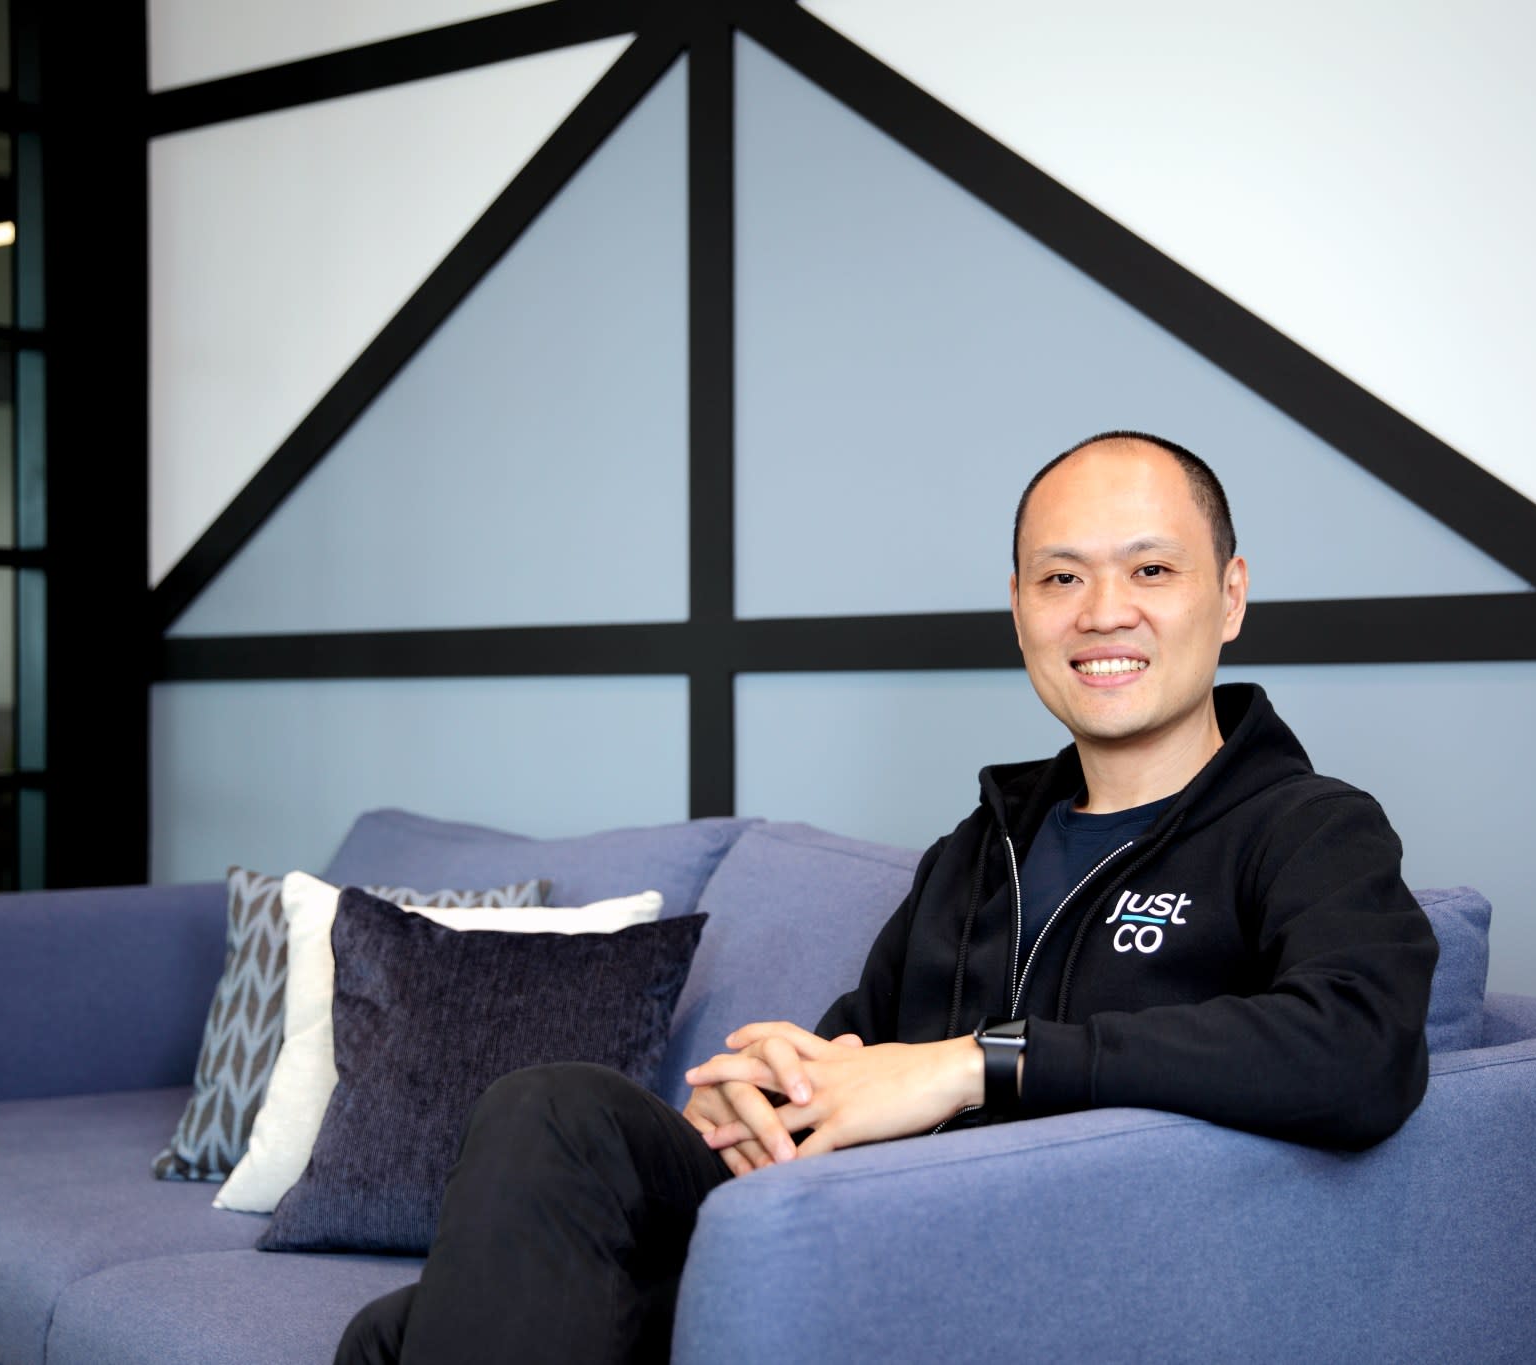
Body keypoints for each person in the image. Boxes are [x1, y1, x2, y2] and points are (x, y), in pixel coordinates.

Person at [337, 431, 1438, 1364]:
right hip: (850, 1226)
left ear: (1230, 596)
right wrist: (765, 1095)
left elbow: (1358, 1051)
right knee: (529, 1148)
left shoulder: (1307, 827)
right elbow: (860, 1052)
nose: (1103, 612)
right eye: (1060, 579)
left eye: (1150, 570)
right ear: (1019, 610)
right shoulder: (980, 847)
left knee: (424, 1334)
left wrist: (977, 1062)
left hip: (1028, 1273)